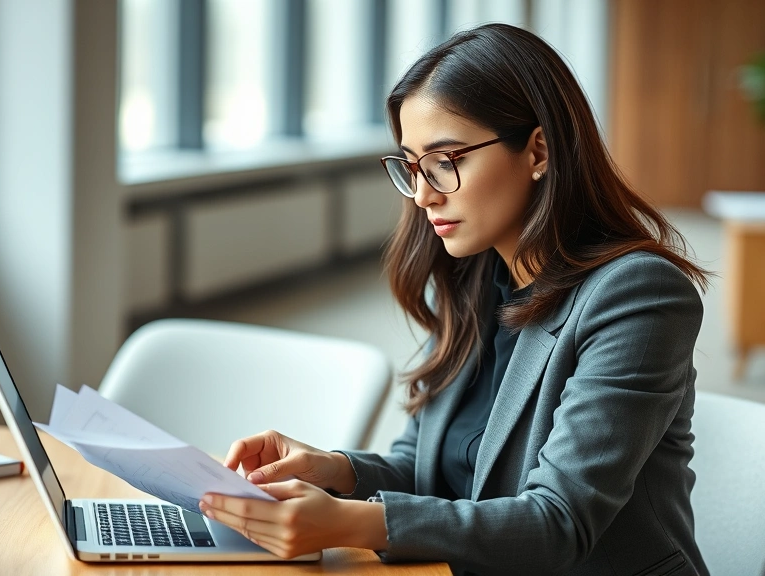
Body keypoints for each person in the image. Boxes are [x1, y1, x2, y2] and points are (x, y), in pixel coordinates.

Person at [199, 23, 711, 576]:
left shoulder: (638, 295)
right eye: (413, 166)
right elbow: (429, 470)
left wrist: (350, 521)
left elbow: (559, 524)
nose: (423, 194)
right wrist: (335, 471)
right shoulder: (475, 279)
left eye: (447, 161)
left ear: (538, 149)